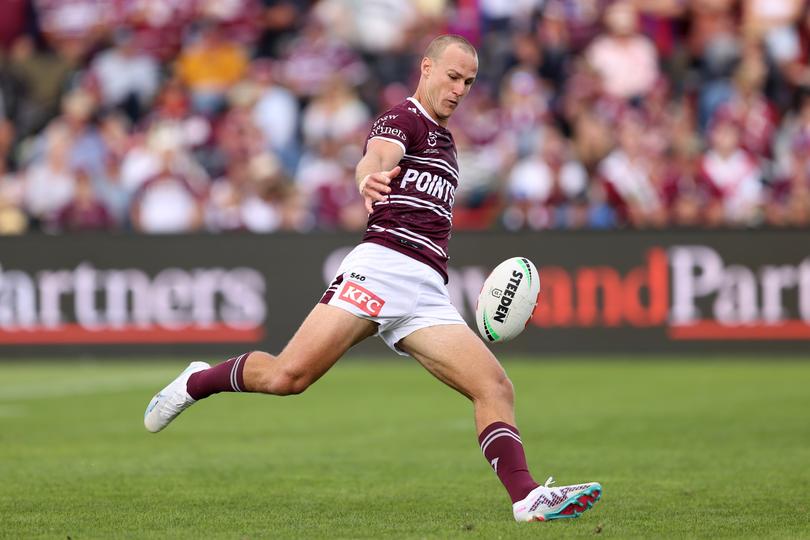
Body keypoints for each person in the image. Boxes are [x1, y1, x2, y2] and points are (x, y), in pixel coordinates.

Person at [143, 35, 602, 523]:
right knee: (288, 377)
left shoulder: (447, 142)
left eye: (468, 82)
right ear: (426, 69)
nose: (459, 89)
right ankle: (199, 380)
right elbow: (378, 155)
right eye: (451, 76)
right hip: (381, 267)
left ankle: (526, 497)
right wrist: (367, 177)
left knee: (495, 387)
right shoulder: (401, 119)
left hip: (427, 290)